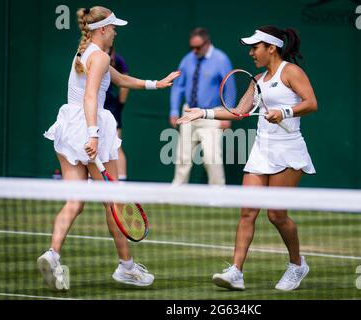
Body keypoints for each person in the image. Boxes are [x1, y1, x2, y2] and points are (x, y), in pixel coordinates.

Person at [39, 6, 180, 291]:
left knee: (75, 202)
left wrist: (156, 84)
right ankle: (126, 267)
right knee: (114, 202)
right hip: (90, 126)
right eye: (114, 27)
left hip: (68, 127)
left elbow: (118, 79)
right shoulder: (100, 56)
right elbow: (91, 95)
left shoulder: (85, 53)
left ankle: (52, 254)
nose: (116, 32)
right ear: (102, 30)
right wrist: (93, 135)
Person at [177, 26, 317, 291]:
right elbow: (239, 111)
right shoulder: (258, 79)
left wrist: (284, 112)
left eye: (255, 47)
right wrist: (203, 113)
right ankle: (236, 272)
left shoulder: (291, 72)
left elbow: (311, 102)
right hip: (261, 150)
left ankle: (297, 264)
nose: (251, 53)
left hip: (287, 151)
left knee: (276, 215)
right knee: (248, 211)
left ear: (271, 48)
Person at [169, 27, 234, 185]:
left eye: (198, 47)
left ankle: (217, 194)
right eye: (192, 47)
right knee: (182, 155)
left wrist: (228, 114)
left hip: (211, 113)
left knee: (211, 156)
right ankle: (177, 192)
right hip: (189, 112)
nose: (195, 50)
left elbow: (229, 87)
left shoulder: (221, 59)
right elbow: (178, 86)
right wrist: (174, 110)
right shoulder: (188, 59)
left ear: (207, 43)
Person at [104, 46, 129, 181]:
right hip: (96, 107)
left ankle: (122, 181)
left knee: (116, 146)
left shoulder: (119, 61)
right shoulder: (93, 57)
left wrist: (119, 105)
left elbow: (124, 80)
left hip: (112, 108)